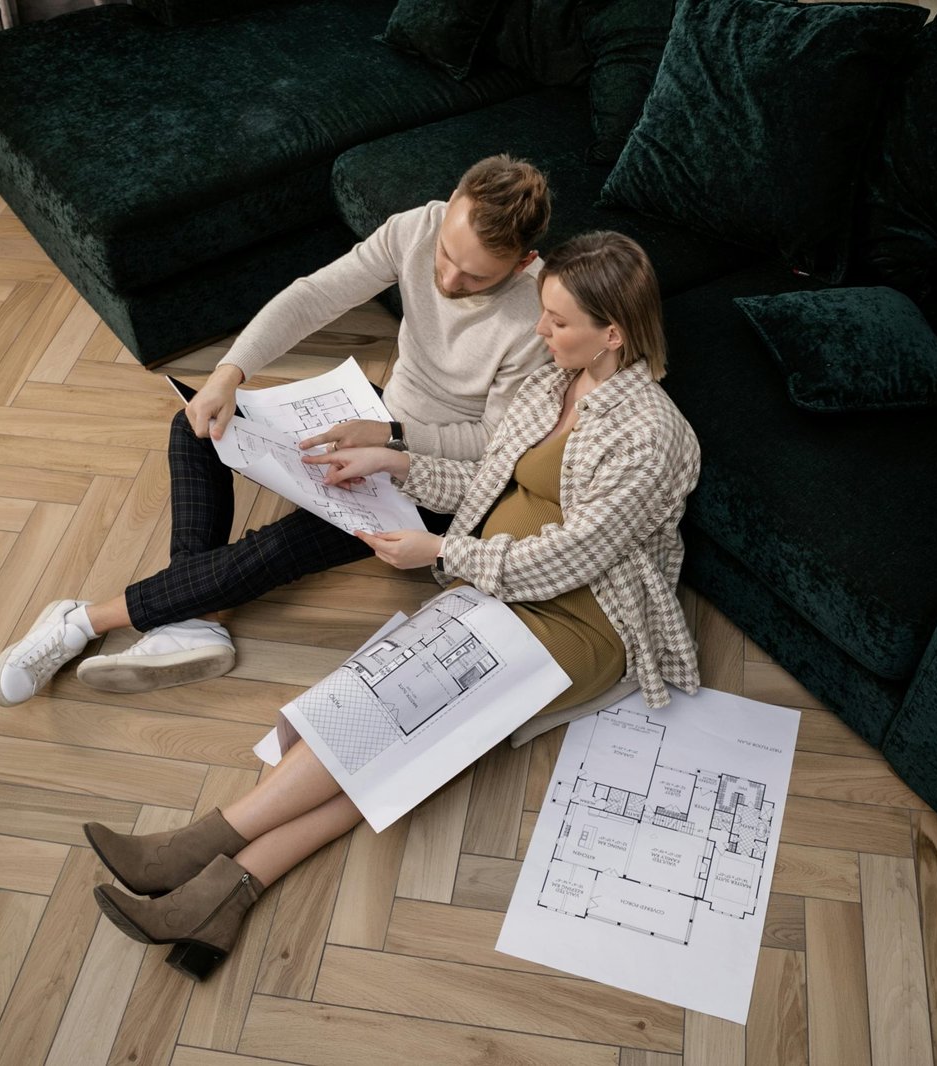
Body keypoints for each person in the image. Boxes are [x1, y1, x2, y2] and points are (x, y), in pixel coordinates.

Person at [82, 231, 702, 980]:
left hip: (582, 622)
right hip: (493, 588)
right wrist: (395, 464)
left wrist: (440, 553)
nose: (541, 332)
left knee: (390, 710)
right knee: (385, 723)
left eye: (558, 322)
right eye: (543, 314)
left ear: (615, 333)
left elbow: (570, 557)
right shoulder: (554, 380)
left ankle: (195, 846)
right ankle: (220, 898)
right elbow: (486, 486)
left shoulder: (654, 435)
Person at [0, 155, 554, 707]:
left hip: (438, 474)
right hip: (374, 416)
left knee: (284, 545)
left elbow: (496, 445)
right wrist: (227, 375)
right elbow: (315, 295)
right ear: (451, 203)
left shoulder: (539, 317)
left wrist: (393, 434)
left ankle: (79, 621)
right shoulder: (419, 225)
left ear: (523, 261)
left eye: (476, 275)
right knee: (198, 424)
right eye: (447, 255)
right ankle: (196, 619)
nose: (449, 278)